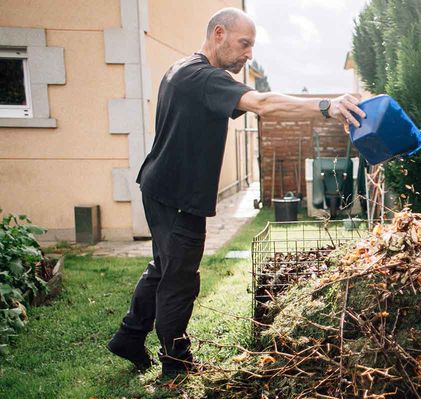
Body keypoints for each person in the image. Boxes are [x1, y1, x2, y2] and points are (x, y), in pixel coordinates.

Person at [107, 7, 365, 377]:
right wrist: (326, 105)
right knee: (180, 276)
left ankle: (129, 337)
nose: (249, 54)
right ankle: (176, 362)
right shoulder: (204, 77)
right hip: (179, 195)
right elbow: (261, 103)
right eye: (244, 44)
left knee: (163, 267)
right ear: (218, 34)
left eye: (252, 46)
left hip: (159, 184)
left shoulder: (181, 68)